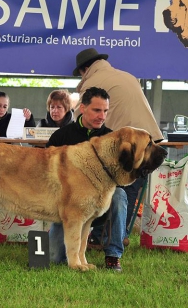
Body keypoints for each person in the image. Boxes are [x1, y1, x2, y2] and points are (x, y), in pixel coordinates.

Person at [73, 47, 164, 237]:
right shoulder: (127, 76)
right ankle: (118, 236)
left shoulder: (93, 82)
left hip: (129, 146)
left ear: (85, 69)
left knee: (113, 190)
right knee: (130, 189)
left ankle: (101, 237)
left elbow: (79, 121)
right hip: (151, 142)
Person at [47, 87, 126, 271]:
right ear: (82, 108)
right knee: (54, 258)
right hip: (67, 206)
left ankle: (113, 255)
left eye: (105, 111)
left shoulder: (112, 139)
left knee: (119, 196)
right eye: (97, 110)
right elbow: (46, 175)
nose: (102, 116)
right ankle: (77, 246)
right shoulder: (61, 136)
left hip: (100, 202)